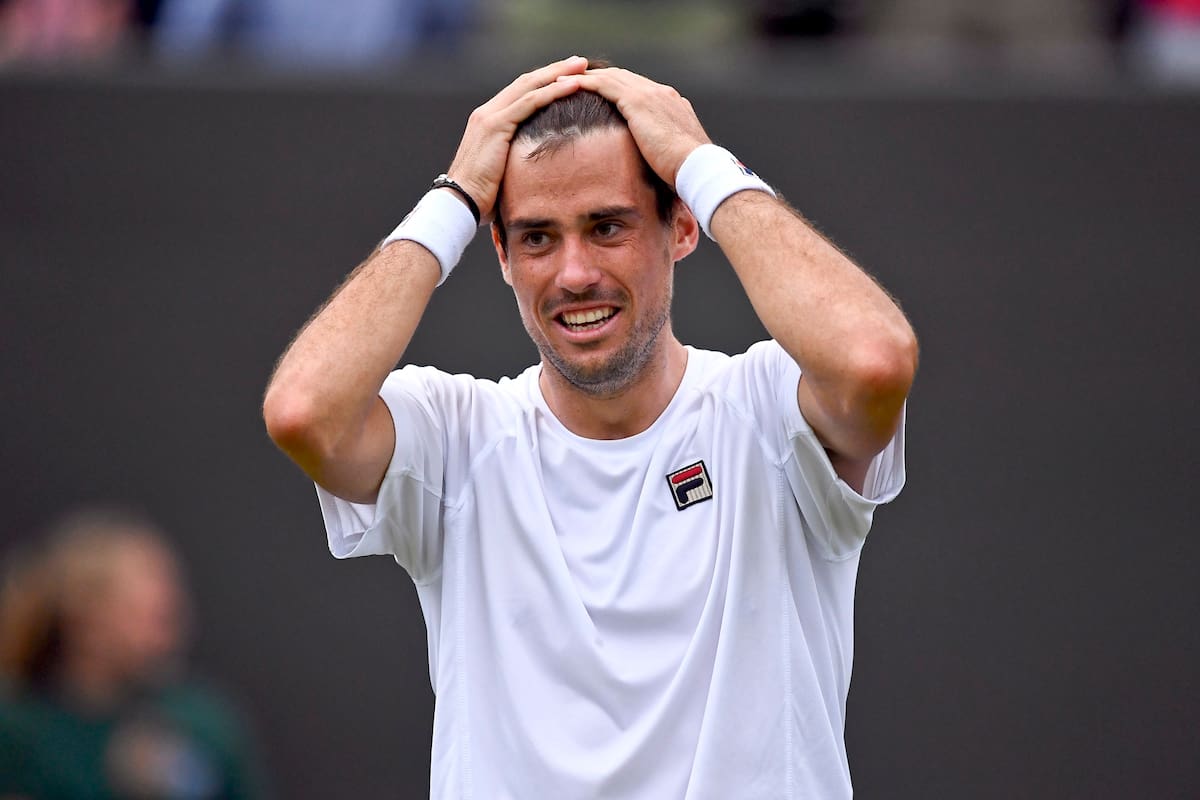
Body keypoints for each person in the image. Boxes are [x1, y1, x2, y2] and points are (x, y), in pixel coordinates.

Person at [263, 56, 918, 798]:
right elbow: (302, 413)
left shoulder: (768, 408)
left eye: (607, 227)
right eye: (537, 238)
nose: (574, 273)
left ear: (681, 227)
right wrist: (453, 198)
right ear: (501, 256)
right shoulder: (456, 437)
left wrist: (702, 164)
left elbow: (874, 361)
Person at [0, 509, 264, 800]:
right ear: (84, 619)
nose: (171, 619)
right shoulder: (19, 731)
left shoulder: (203, 723)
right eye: (146, 615)